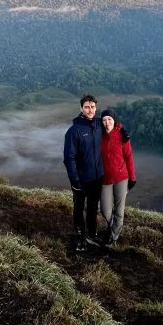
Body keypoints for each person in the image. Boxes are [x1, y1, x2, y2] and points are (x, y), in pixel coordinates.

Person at [63, 94, 104, 252]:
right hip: (80, 179)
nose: (90, 110)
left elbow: (113, 126)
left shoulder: (99, 125)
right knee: (79, 206)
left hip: (96, 177)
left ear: (96, 108)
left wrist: (123, 132)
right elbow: (69, 158)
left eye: (93, 107)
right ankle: (79, 234)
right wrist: (74, 180)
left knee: (93, 207)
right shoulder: (74, 131)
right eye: (87, 107)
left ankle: (92, 234)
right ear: (81, 108)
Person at [98, 108, 135, 248]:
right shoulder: (99, 136)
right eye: (104, 120)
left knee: (119, 210)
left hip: (121, 178)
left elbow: (129, 157)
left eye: (109, 119)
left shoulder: (122, 136)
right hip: (105, 178)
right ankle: (110, 226)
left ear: (114, 120)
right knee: (105, 210)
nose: (107, 122)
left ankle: (113, 237)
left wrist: (132, 178)